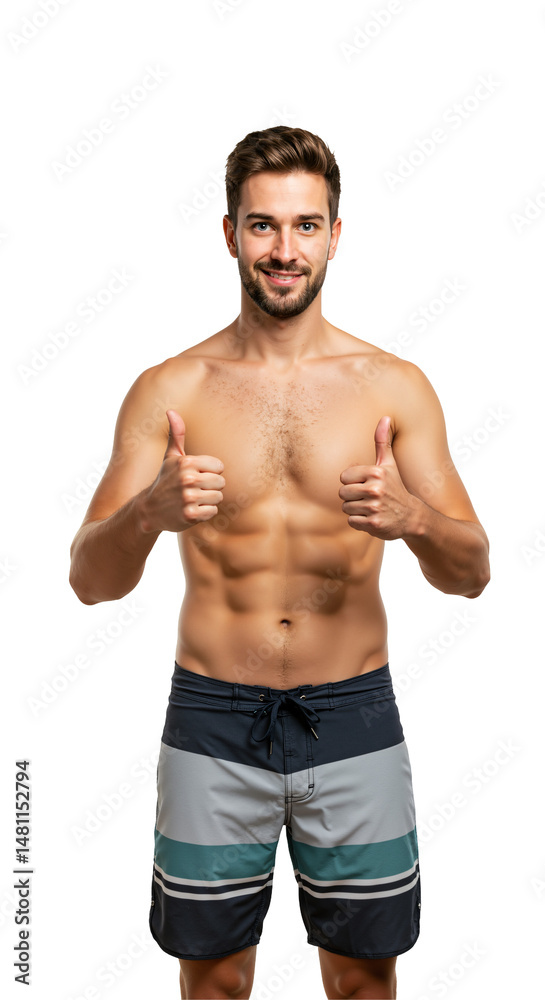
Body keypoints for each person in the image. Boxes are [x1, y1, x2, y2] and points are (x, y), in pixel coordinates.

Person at [69, 126, 490, 1000]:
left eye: (305, 226)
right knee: (215, 982)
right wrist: (148, 514)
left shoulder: (393, 385)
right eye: (262, 226)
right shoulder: (169, 390)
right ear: (229, 233)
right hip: (213, 718)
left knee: (364, 983)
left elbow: (472, 571)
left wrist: (411, 518)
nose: (284, 249)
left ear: (336, 233)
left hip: (353, 713)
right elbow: (89, 582)